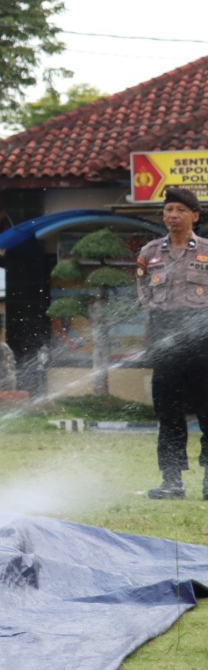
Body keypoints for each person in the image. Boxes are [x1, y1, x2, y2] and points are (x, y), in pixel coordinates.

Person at [134, 186, 208, 500]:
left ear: (195, 215)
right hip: (165, 338)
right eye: (168, 210)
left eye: (179, 210)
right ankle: (171, 481)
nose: (173, 216)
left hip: (203, 339)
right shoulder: (149, 253)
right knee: (168, 411)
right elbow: (144, 296)